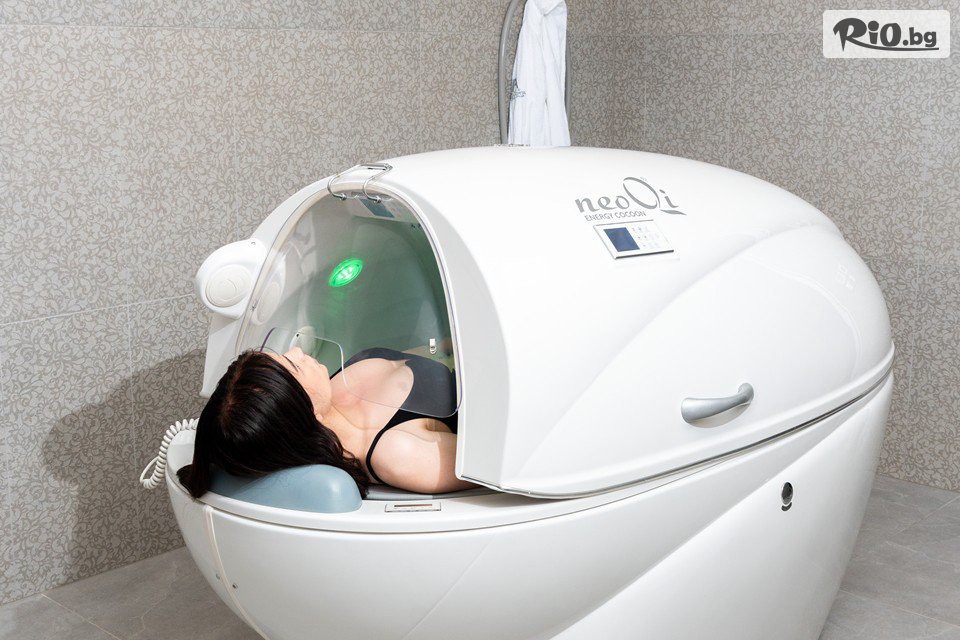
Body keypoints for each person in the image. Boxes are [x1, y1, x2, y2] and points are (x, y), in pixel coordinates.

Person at [176, 344, 476, 499]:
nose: (298, 351)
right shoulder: (396, 454)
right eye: (293, 365)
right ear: (307, 414)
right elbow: (494, 459)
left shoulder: (329, 391)